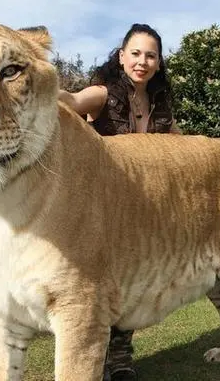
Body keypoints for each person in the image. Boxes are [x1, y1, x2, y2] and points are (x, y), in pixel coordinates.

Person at [59, 23, 176, 381]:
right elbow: (72, 103)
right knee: (99, 284)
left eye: (150, 55)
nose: (143, 61)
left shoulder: (160, 103)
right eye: (136, 53)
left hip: (141, 207)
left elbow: (184, 146)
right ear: (122, 56)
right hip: (101, 206)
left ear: (158, 61)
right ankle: (100, 358)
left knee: (128, 283)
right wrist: (43, 90)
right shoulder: (102, 93)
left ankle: (120, 358)